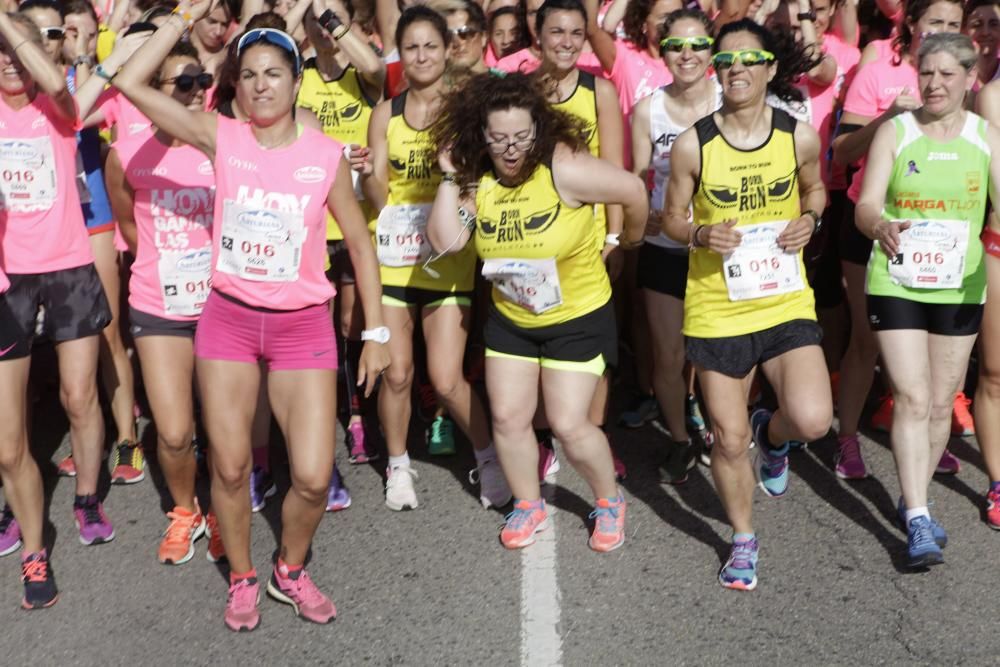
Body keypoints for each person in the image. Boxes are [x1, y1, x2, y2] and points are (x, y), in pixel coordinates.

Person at [114, 2, 390, 630]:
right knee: (232, 467)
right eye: (252, 73)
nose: (263, 83)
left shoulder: (323, 155)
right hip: (230, 323)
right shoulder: (221, 136)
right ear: (235, 83)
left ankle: (288, 569)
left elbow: (360, 242)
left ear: (297, 82)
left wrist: (375, 331)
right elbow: (128, 83)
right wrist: (176, 22)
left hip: (303, 328)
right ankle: (241, 576)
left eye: (276, 72)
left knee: (315, 476)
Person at [427, 71, 648, 551]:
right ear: (481, 136)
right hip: (513, 319)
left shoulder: (563, 166)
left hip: (577, 317)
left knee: (569, 424)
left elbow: (632, 189)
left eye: (522, 137)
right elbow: (447, 243)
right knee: (508, 418)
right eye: (498, 138)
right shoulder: (477, 178)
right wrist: (449, 174)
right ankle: (528, 504)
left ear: (539, 130)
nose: (510, 149)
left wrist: (624, 241)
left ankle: (608, 500)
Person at [663, 19, 831, 590]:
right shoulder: (694, 143)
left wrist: (810, 219)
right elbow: (670, 216)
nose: (734, 70)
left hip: (783, 298)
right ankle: (742, 538)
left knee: (811, 417)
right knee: (728, 439)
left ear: (769, 70)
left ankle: (776, 435)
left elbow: (816, 188)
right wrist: (698, 236)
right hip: (718, 306)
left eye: (747, 60)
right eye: (725, 61)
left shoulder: (797, 135)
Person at [855, 33, 998, 567]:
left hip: (960, 285)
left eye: (946, 74)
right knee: (912, 398)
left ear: (969, 78)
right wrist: (880, 226)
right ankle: (917, 515)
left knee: (942, 403)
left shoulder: (987, 138)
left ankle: (914, 493)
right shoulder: (895, 132)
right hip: (897, 280)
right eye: (926, 74)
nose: (934, 84)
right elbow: (866, 204)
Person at [359, 6, 506, 511]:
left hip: (446, 256)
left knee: (445, 378)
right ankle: (398, 468)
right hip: (397, 255)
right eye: (411, 47)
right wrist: (365, 174)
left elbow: (483, 182)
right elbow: (380, 197)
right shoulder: (386, 113)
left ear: (448, 50)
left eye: (430, 46)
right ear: (401, 53)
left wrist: (458, 192)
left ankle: (487, 459)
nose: (421, 56)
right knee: (397, 374)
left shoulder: (467, 109)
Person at [0, 9, 116, 609]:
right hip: (7, 279)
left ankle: (87, 495)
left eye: (16, 52)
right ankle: (31, 544)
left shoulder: (59, 108)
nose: (9, 64)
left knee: (78, 395)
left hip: (69, 262)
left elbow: (57, 82)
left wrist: (13, 28)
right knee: (7, 434)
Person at [832, 0, 966, 479]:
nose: (943, 31)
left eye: (954, 24)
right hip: (870, 218)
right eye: (935, 22)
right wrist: (887, 117)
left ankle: (929, 435)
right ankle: (846, 438)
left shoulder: (958, 78)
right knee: (866, 341)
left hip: (939, 231)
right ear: (911, 24)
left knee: (932, 346)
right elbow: (842, 152)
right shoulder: (878, 74)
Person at [104, 40, 217, 565]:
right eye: (183, 83)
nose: (196, 92)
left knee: (221, 425)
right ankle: (184, 511)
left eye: (202, 81)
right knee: (173, 431)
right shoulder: (126, 154)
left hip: (221, 304)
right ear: (156, 92)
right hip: (158, 302)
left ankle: (222, 508)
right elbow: (129, 227)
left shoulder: (223, 143)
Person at [297, 0, 386, 490]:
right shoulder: (297, 75)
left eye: (334, 19)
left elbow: (374, 64)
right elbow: (260, 47)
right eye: (318, 20)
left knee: (353, 323)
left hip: (357, 221)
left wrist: (334, 20)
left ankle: (356, 415)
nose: (326, 29)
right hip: (311, 226)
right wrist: (302, 16)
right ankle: (331, 419)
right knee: (321, 332)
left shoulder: (364, 76)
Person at [630, 8, 719, 483]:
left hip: (721, 247)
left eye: (697, 46)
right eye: (676, 46)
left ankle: (713, 420)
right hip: (666, 245)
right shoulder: (647, 109)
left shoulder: (732, 97)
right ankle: (680, 439)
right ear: (661, 51)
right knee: (668, 354)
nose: (687, 55)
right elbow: (636, 177)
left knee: (712, 350)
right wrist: (637, 217)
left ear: (713, 50)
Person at [965, 0, 1000, 90]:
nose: (985, 32)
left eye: (993, 24)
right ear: (965, 30)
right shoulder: (954, 75)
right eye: (977, 25)